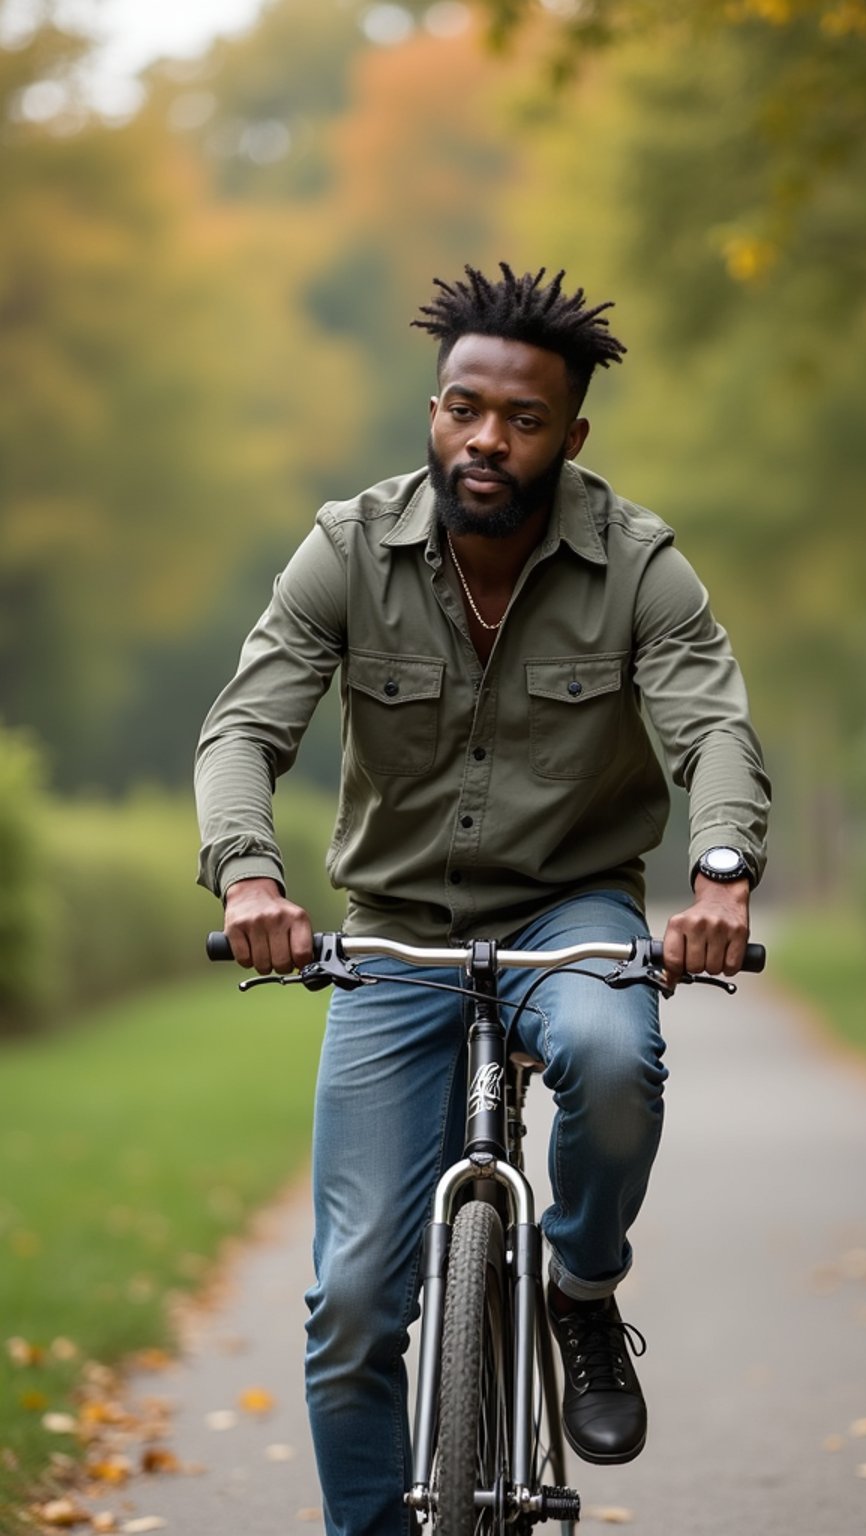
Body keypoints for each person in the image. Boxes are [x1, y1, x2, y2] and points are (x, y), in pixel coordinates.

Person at [195, 262, 770, 1536]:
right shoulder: (349, 546)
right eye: (463, 408)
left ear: (569, 435)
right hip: (396, 930)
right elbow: (245, 730)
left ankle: (580, 1282)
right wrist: (248, 872)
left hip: (572, 913)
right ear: (434, 409)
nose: (484, 440)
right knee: (351, 1301)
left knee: (618, 1056)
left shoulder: (637, 565)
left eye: (519, 420)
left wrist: (721, 874)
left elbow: (712, 735)